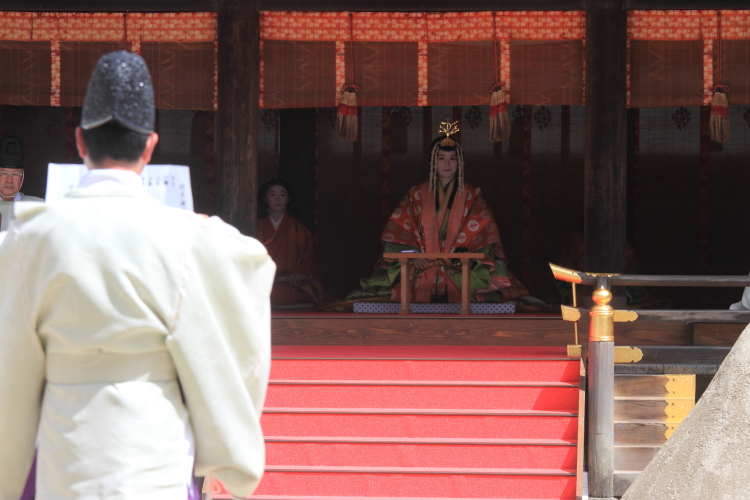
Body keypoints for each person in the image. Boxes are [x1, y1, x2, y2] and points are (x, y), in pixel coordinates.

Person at [0, 51, 275, 500]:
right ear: (150, 146)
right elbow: (253, 267)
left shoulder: (29, 238)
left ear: (80, 143)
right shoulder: (190, 238)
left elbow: (10, 373)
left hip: (66, 464)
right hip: (155, 461)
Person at [349, 122, 528, 303]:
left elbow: (484, 232)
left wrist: (459, 258)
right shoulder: (416, 194)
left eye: (452, 158)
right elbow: (398, 229)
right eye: (441, 158)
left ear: (460, 162)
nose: (447, 164)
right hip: (421, 264)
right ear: (433, 162)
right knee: (398, 291)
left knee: (472, 290)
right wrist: (414, 255)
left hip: (459, 266)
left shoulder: (472, 195)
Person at [257, 178, 323, 306]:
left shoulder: (299, 229)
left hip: (290, 285)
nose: (278, 199)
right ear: (265, 199)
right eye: (272, 195)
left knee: (285, 294)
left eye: (282, 195)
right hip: (263, 283)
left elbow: (307, 261)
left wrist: (296, 278)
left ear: (288, 199)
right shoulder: (256, 226)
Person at [0, 135, 44, 231]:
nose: (9, 180)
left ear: (22, 177)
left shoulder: (40, 206)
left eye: (15, 174)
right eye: (4, 174)